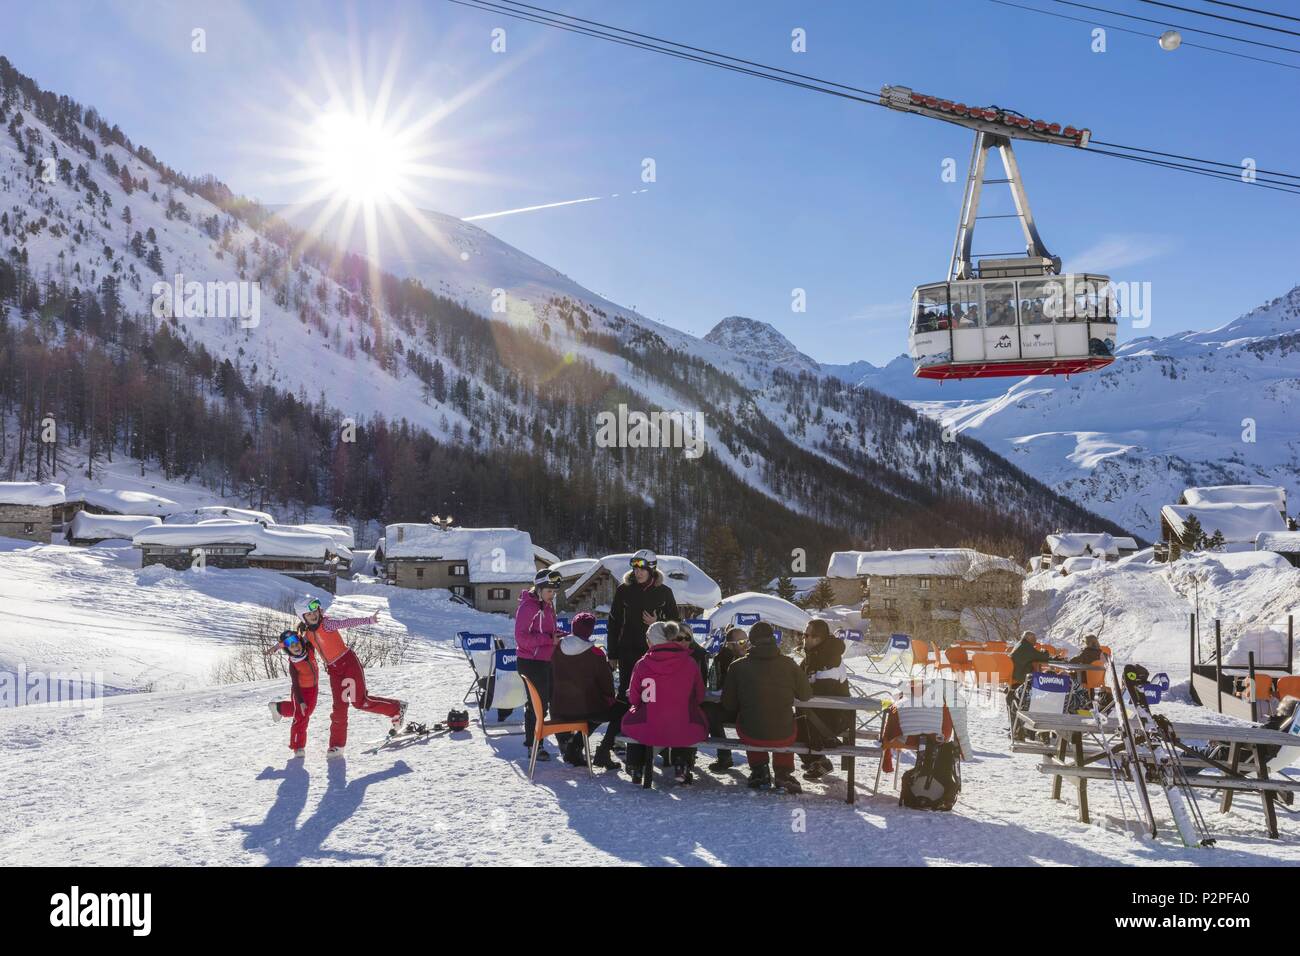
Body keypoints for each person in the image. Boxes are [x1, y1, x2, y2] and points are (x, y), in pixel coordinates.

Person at [297, 596, 404, 757]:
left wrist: (369, 620)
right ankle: (337, 745)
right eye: (309, 614)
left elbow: (346, 622)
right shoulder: (306, 633)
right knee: (339, 707)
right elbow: (294, 641)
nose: (314, 615)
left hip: (348, 664)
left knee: (360, 702)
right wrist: (279, 645)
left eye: (315, 611)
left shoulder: (327, 624)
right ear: (302, 617)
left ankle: (396, 709)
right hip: (334, 671)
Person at [720, 621, 813, 793]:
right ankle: (783, 772)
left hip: (751, 733)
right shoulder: (789, 664)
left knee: (752, 719)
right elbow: (806, 696)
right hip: (784, 734)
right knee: (784, 719)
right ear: (773, 640)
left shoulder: (737, 666)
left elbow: (729, 704)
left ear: (751, 642)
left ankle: (759, 769)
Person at [622, 621, 709, 785]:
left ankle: (636, 765)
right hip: (681, 725)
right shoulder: (689, 662)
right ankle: (682, 763)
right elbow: (699, 696)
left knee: (635, 718)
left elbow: (634, 699)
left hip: (650, 725)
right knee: (687, 719)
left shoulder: (642, 664)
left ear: (650, 641)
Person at [550, 611, 625, 769]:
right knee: (621, 708)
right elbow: (607, 685)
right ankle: (603, 751)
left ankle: (575, 748)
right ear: (590, 630)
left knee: (593, 709)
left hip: (559, 708)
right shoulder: (595, 654)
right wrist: (609, 697)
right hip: (587, 709)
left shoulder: (556, 649)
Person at [608, 550, 680, 700]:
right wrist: (612, 654)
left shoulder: (664, 592)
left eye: (642, 569)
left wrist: (657, 623)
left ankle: (650, 722)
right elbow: (614, 623)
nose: (637, 573)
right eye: (635, 569)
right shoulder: (623, 590)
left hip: (655, 653)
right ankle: (624, 723)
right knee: (626, 693)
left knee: (651, 694)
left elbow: (676, 624)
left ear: (651, 570)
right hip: (627, 651)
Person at [515, 568, 563, 762]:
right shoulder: (529, 607)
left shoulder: (547, 605)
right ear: (540, 588)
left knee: (550, 701)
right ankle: (533, 744)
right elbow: (521, 638)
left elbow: (548, 630)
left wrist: (560, 636)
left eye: (555, 591)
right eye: (550, 591)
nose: (553, 595)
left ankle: (548, 740)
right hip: (530, 662)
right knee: (537, 704)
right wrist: (548, 640)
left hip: (546, 660)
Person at [797, 619, 851, 781]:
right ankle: (814, 760)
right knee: (786, 723)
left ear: (819, 638)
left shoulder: (831, 660)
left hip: (833, 717)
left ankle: (819, 762)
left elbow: (821, 693)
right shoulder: (813, 655)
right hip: (816, 714)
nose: (804, 638)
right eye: (803, 634)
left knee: (788, 728)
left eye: (807, 635)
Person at [702, 625, 748, 771]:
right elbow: (714, 686)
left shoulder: (752, 658)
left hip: (747, 709)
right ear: (729, 644)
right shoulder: (720, 660)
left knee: (710, 711)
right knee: (708, 711)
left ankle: (758, 766)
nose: (746, 645)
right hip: (733, 708)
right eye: (741, 642)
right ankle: (724, 755)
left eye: (747, 641)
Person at [267, 628, 318, 757]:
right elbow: (295, 685)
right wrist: (300, 701)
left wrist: (277, 646)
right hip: (300, 691)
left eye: (297, 643)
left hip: (314, 688)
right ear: (288, 650)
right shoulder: (293, 665)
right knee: (301, 717)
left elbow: (310, 631)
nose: (296, 647)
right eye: (291, 646)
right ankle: (298, 746)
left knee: (307, 712)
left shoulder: (309, 648)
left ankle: (279, 708)